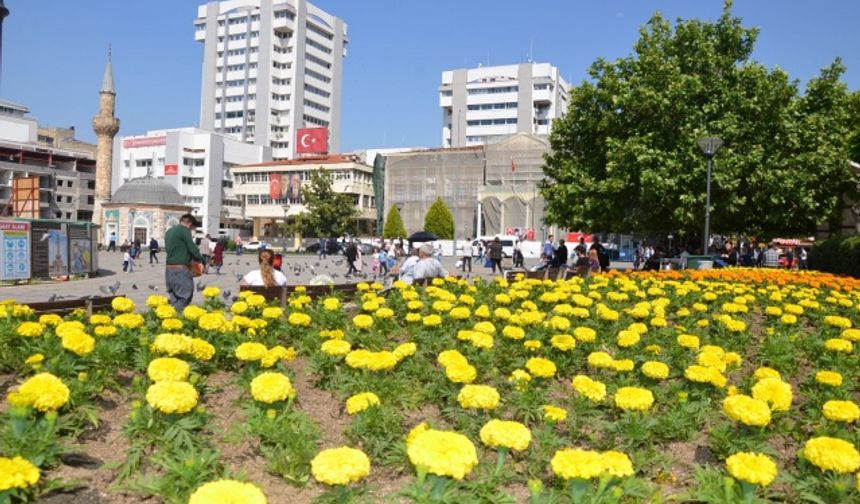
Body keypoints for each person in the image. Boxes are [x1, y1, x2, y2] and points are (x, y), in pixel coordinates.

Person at [165, 214, 204, 311]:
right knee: (185, 297)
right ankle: (173, 316)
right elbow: (192, 248)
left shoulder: (169, 231)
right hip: (181, 269)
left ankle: (171, 322)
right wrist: (202, 260)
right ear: (190, 224)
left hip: (169, 269)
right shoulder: (184, 230)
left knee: (174, 298)